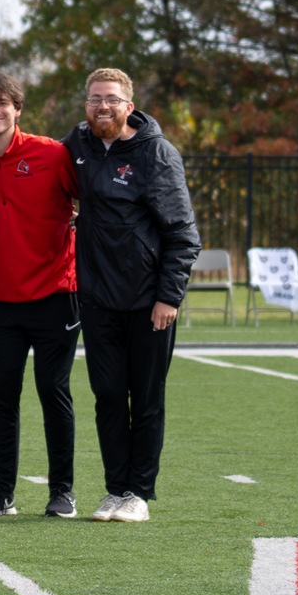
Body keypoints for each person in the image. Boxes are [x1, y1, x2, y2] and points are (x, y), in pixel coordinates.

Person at [67, 68, 199, 524]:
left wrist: (169, 296)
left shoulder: (156, 153)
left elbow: (183, 234)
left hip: (148, 301)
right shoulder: (78, 145)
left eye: (111, 99)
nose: (102, 106)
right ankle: (115, 488)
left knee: (144, 398)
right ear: (85, 104)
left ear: (129, 105)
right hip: (97, 297)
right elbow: (35, 161)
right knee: (106, 395)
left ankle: (139, 493)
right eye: (94, 98)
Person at [0, 72, 80, 519]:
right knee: (3, 395)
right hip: (1, 300)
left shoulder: (50, 153)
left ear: (17, 109)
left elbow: (90, 201)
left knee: (53, 390)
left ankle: (62, 491)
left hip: (56, 294)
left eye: (3, 103)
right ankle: (2, 491)